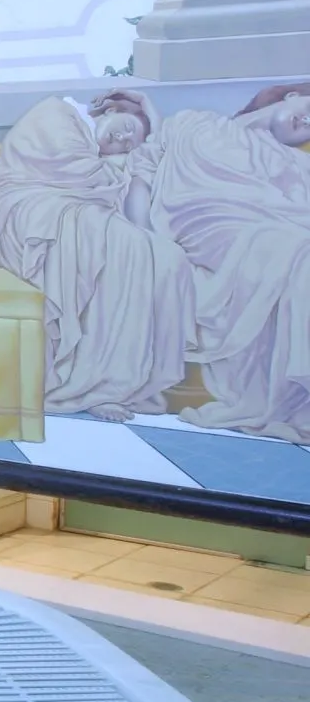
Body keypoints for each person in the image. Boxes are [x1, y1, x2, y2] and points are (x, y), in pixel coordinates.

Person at [0, 91, 193, 421]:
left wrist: (143, 131)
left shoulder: (95, 156)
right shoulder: (56, 113)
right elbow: (70, 169)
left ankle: (109, 382)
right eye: (126, 127)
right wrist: (120, 165)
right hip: (24, 206)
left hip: (66, 208)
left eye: (128, 144)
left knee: (160, 256)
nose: (121, 140)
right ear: (109, 109)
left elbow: (111, 184)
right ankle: (98, 384)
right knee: (116, 241)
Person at [126, 82, 310, 439]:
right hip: (206, 238)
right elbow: (141, 176)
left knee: (297, 247)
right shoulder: (192, 123)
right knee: (296, 247)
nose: (308, 123)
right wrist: (145, 240)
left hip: (270, 240)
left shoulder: (297, 163)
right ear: (292, 95)